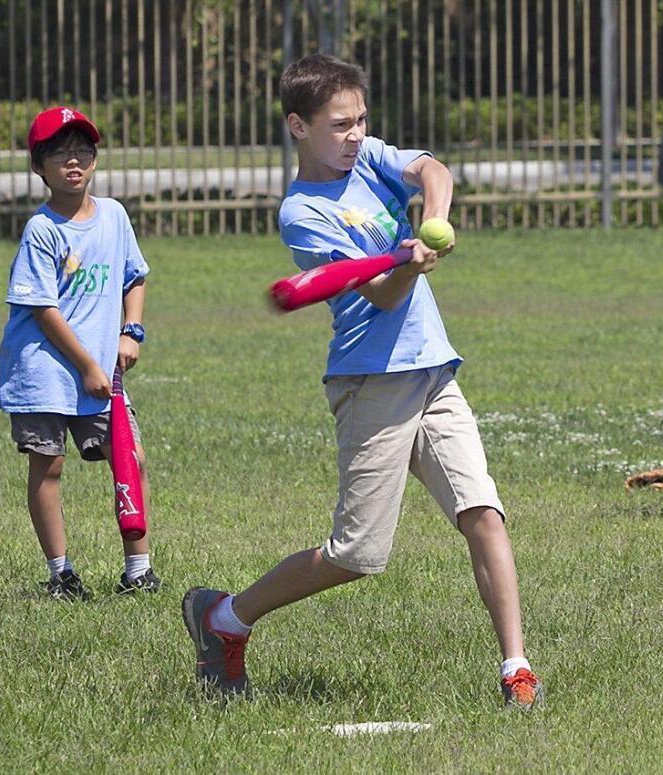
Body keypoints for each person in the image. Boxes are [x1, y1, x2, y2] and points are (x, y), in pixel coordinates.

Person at [181, 55, 543, 709]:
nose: (355, 135)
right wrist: (408, 264)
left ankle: (516, 669)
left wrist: (434, 218)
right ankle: (225, 616)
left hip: (432, 369)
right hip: (371, 383)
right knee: (355, 554)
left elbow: (431, 168)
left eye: (361, 120)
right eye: (339, 124)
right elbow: (376, 292)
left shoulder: (368, 158)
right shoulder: (302, 214)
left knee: (482, 512)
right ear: (298, 125)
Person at [0, 106, 160, 599]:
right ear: (38, 166)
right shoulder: (43, 230)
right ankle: (61, 574)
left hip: (100, 370)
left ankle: (138, 571)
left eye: (83, 151)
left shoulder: (114, 215)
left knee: (131, 457)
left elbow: (135, 277)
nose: (73, 161)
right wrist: (88, 364)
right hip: (44, 367)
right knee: (49, 466)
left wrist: (131, 331)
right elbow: (43, 309)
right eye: (59, 153)